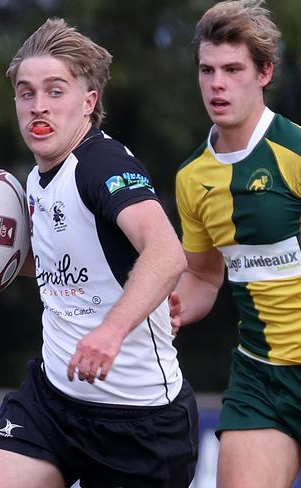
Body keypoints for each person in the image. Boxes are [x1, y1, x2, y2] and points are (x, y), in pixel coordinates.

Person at [0, 18, 198, 488]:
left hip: (139, 427)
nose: (38, 106)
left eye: (55, 91)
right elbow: (59, 266)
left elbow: (168, 254)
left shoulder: (100, 165)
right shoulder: (34, 178)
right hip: (52, 403)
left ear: (89, 102)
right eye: (26, 93)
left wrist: (111, 331)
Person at [170, 1, 301, 486]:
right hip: (260, 379)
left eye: (232, 69)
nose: (217, 84)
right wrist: (174, 304)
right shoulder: (191, 178)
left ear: (264, 72)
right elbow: (204, 274)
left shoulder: (294, 154)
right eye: (207, 70)